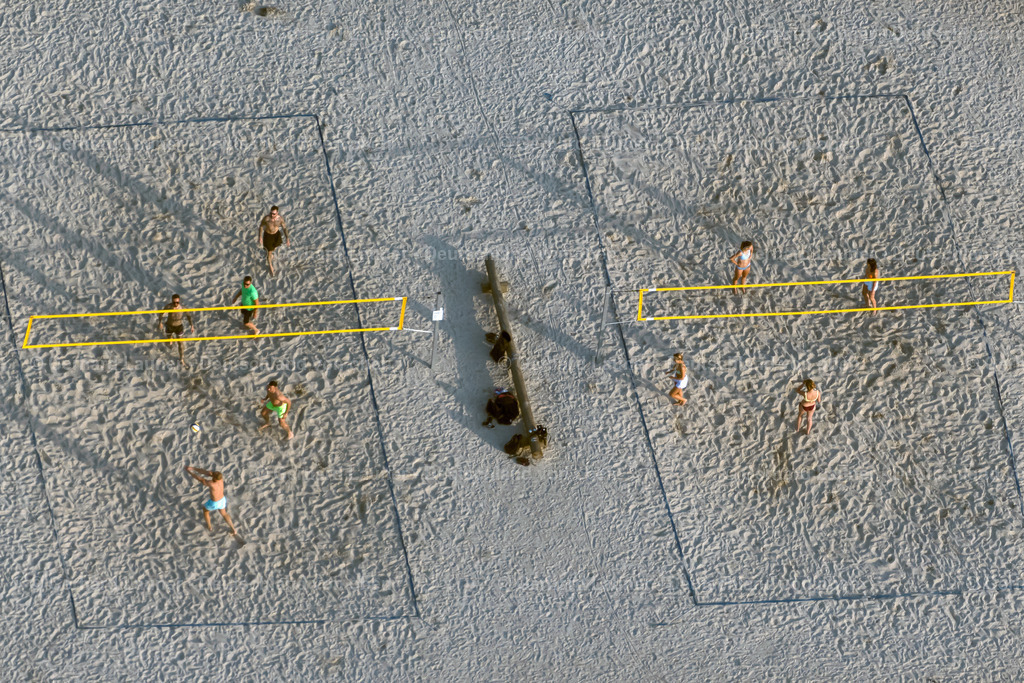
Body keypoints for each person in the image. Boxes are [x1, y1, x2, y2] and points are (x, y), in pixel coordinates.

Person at [185, 465, 237, 535]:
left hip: (214, 503)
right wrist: (192, 468)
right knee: (224, 514)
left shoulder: (211, 483)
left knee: (205, 511)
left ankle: (209, 527)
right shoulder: (220, 479)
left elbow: (200, 479)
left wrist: (189, 472)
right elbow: (206, 472)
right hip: (222, 500)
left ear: (214, 477)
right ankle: (233, 529)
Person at [156, 294, 195, 366]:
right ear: (172, 301)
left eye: (177, 302)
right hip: (169, 326)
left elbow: (188, 316)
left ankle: (181, 359)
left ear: (179, 301)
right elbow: (161, 314)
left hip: (178, 327)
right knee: (169, 339)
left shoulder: (182, 308)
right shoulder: (168, 307)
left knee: (180, 343)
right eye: (174, 302)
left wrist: (191, 325)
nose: (175, 304)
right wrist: (160, 322)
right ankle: (171, 339)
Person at [258, 205, 290, 276]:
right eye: (271, 213)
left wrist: (287, 238)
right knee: (269, 252)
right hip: (268, 236)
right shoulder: (266, 218)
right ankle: (270, 266)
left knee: (274, 248)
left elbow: (284, 228)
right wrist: (260, 237)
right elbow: (261, 226)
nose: (272, 215)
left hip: (276, 235)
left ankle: (271, 254)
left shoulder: (280, 219)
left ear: (277, 213)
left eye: (274, 214)